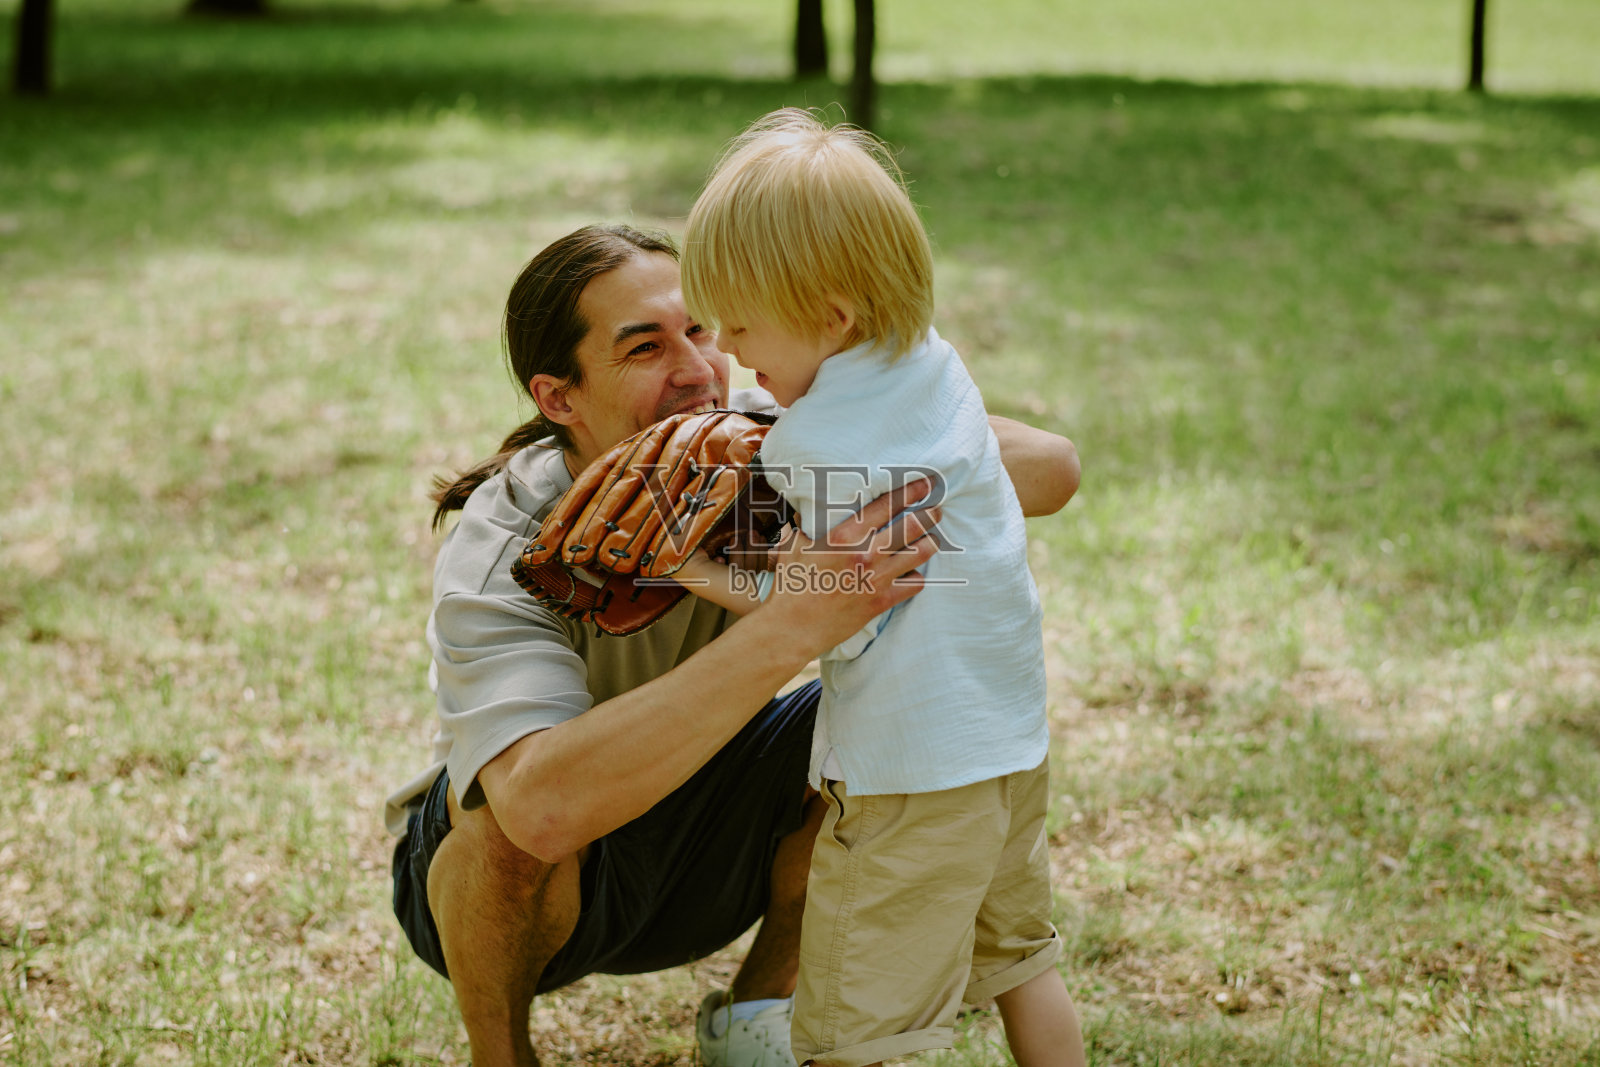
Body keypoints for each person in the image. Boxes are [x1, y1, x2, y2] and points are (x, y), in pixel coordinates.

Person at [384, 223, 1081, 1067]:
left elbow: (1052, 469)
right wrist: (797, 620)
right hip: (530, 887)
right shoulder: (508, 538)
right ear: (558, 397)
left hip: (710, 838)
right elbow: (538, 809)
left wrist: (822, 443)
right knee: (498, 813)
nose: (697, 368)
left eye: (703, 330)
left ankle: (757, 1018)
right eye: (645, 347)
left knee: (890, 713)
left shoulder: (769, 443)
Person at [674, 109, 1086, 1067]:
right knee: (1023, 961)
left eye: (742, 323)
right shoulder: (936, 367)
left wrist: (686, 563)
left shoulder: (817, 444)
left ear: (832, 317)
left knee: (857, 1033)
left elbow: (828, 611)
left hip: (910, 775)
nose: (733, 355)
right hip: (1007, 750)